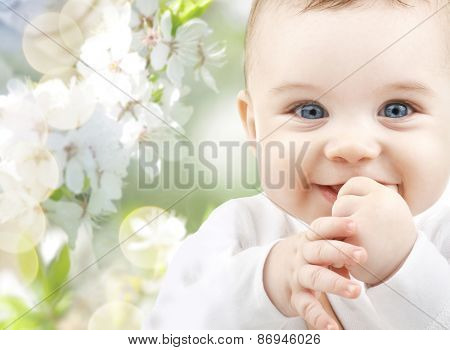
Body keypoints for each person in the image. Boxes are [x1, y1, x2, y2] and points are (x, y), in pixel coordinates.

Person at [144, 0, 450, 329]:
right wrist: (265, 284)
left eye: (396, 110)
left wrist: (404, 265)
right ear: (254, 127)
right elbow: (167, 330)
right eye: (310, 111)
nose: (351, 147)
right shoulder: (239, 234)